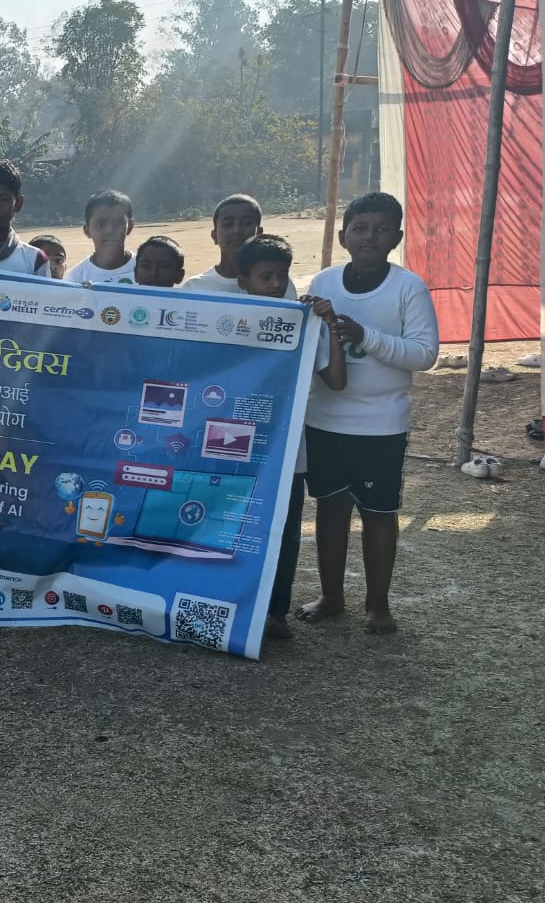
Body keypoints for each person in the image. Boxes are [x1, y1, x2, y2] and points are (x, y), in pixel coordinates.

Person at [298, 192, 440, 635]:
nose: (370, 237)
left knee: (378, 514)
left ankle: (378, 606)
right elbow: (310, 342)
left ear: (397, 237)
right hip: (324, 418)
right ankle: (331, 596)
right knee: (329, 509)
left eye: (381, 230)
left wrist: (366, 336)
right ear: (344, 236)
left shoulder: (408, 287)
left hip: (381, 424)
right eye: (360, 229)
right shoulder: (323, 281)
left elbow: (425, 354)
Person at [232, 234, 347, 640]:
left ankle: (276, 612)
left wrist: (330, 326)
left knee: (283, 532)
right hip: (231, 448)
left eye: (282, 276)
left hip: (287, 454)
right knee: (233, 527)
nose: (276, 284)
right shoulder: (225, 320)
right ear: (244, 281)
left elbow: (337, 380)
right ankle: (233, 605)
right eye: (265, 276)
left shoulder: (301, 323)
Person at [178, 194, 294, 295]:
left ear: (259, 234)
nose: (236, 230)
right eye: (228, 224)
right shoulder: (195, 287)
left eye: (246, 223)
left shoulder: (280, 286)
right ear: (214, 236)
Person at [63, 190, 136, 283]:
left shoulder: (147, 269)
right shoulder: (75, 278)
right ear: (87, 231)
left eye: (118, 222)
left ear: (130, 227)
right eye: (101, 224)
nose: (110, 230)